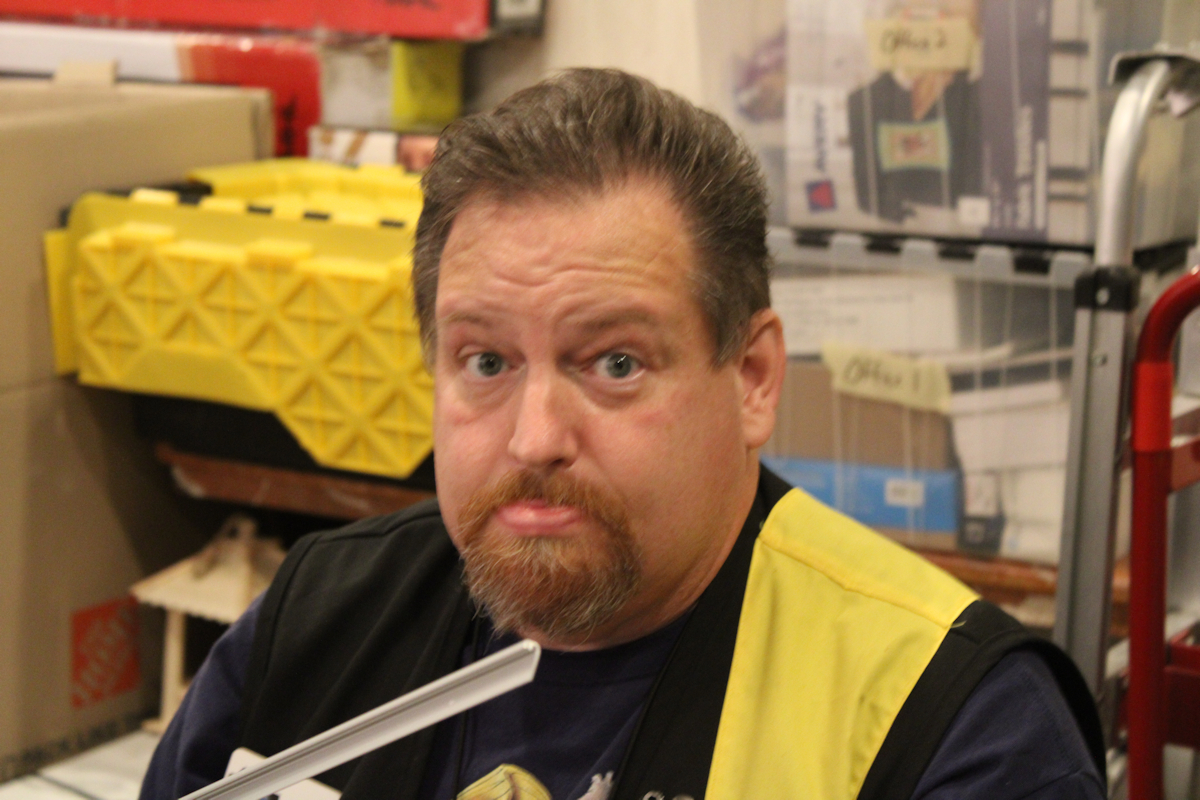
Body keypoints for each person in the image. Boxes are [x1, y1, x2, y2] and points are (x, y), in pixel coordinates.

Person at [140, 68, 1105, 800]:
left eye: (614, 363)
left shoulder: (950, 722)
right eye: (486, 361)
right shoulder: (317, 624)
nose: (534, 439)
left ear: (754, 379)